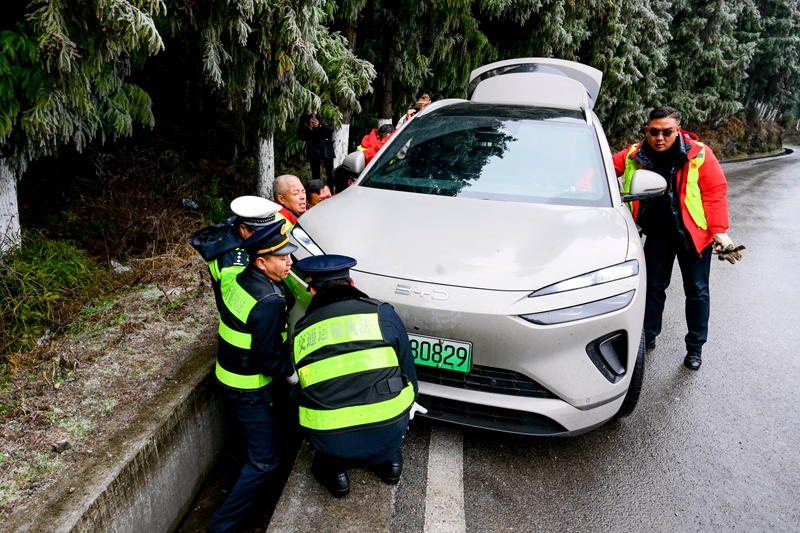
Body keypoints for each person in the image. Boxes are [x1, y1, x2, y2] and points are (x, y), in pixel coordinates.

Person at [613, 106, 743, 371]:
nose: (660, 138)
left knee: (696, 292)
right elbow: (599, 169)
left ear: (678, 130)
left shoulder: (699, 154)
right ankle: (648, 336)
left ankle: (695, 348)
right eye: (654, 131)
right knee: (652, 288)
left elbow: (714, 193)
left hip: (693, 237)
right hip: (657, 235)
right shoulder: (633, 155)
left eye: (667, 132)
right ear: (646, 130)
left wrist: (719, 231)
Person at [291, 255, 427, 497]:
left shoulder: (303, 330)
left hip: (331, 441)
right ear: (351, 282)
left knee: (298, 394)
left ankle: (337, 475)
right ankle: (392, 463)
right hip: (390, 429)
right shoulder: (381, 313)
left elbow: (306, 387)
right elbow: (408, 369)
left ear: (312, 291)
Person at [206, 221, 300, 533]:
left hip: (227, 374)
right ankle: (222, 525)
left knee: (240, 441)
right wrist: (289, 374)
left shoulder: (238, 278)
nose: (289, 261)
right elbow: (266, 357)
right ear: (261, 262)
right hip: (249, 387)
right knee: (265, 461)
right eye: (283, 257)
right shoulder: (270, 300)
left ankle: (236, 472)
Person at [188, 196, 282, 311]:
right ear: (243, 228)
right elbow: (237, 304)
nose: (267, 238)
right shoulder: (234, 262)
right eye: (261, 233)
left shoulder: (238, 237)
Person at [297, 111, 335, 181]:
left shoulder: (325, 111)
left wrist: (319, 125)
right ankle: (317, 190)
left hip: (326, 147)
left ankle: (332, 190)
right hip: (313, 148)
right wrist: (310, 128)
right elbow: (300, 135)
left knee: (330, 174)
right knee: (315, 175)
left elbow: (330, 129)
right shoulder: (305, 116)